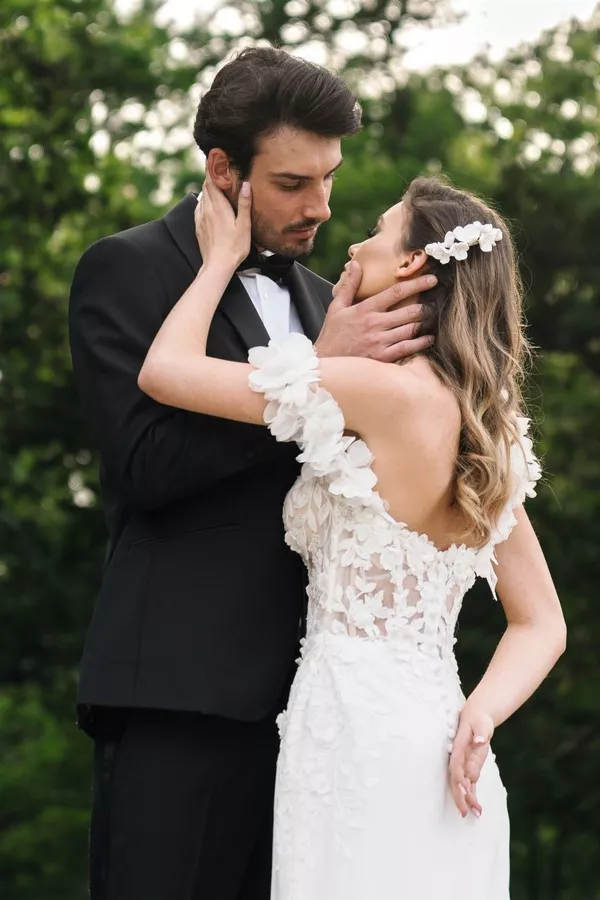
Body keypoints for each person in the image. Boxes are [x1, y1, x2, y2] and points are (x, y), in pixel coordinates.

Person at [138, 172, 567, 900]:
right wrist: (482, 714)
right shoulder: (486, 431)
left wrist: (217, 261)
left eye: (378, 227)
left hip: (353, 736)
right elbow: (543, 622)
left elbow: (165, 371)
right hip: (438, 734)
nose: (354, 241)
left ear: (409, 266)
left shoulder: (378, 392)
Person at [68, 47, 434, 900]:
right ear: (223, 170)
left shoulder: (321, 299)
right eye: (292, 184)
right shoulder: (127, 269)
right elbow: (144, 466)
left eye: (330, 181)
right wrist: (315, 372)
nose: (321, 208)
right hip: (180, 695)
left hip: (320, 716)